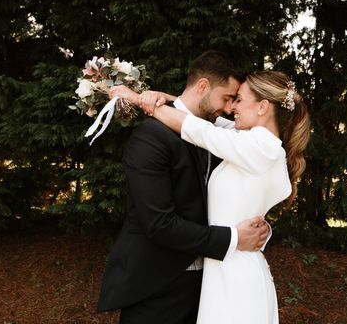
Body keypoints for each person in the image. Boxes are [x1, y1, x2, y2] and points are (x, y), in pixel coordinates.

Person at [114, 70, 311, 324]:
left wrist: (139, 100)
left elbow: (200, 130)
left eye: (239, 100)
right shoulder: (251, 141)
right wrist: (165, 98)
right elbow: (208, 121)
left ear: (262, 107)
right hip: (225, 265)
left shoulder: (260, 146)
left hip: (235, 274)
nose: (231, 108)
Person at [96, 51, 270, 323]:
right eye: (226, 98)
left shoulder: (217, 135)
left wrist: (261, 227)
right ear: (203, 86)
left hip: (208, 289)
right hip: (157, 289)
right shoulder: (151, 137)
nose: (227, 108)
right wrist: (234, 239)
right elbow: (159, 224)